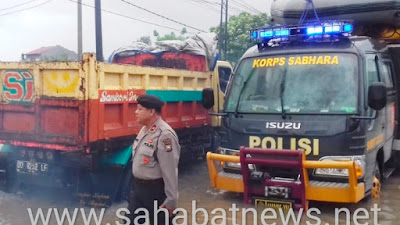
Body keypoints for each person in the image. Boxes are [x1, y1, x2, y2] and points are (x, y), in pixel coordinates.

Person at [126, 94, 180, 225]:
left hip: (156, 192)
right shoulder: (144, 130)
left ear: (151, 112)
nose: (136, 112)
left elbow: (170, 171)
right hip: (138, 190)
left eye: (139, 109)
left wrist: (171, 200)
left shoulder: (165, 135)